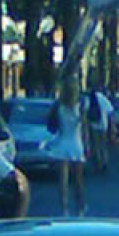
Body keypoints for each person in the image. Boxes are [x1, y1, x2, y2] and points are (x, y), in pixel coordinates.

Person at [46, 77, 86, 216]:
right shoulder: (80, 106)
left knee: (62, 181)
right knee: (78, 180)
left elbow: (53, 126)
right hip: (76, 143)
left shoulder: (59, 106)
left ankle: (64, 209)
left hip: (62, 142)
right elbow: (84, 127)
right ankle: (80, 207)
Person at [84, 81, 114, 172]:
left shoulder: (88, 99)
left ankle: (98, 164)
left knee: (95, 146)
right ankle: (104, 162)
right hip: (103, 125)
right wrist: (112, 126)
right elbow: (110, 111)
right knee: (103, 145)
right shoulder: (102, 98)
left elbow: (85, 112)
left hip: (93, 125)